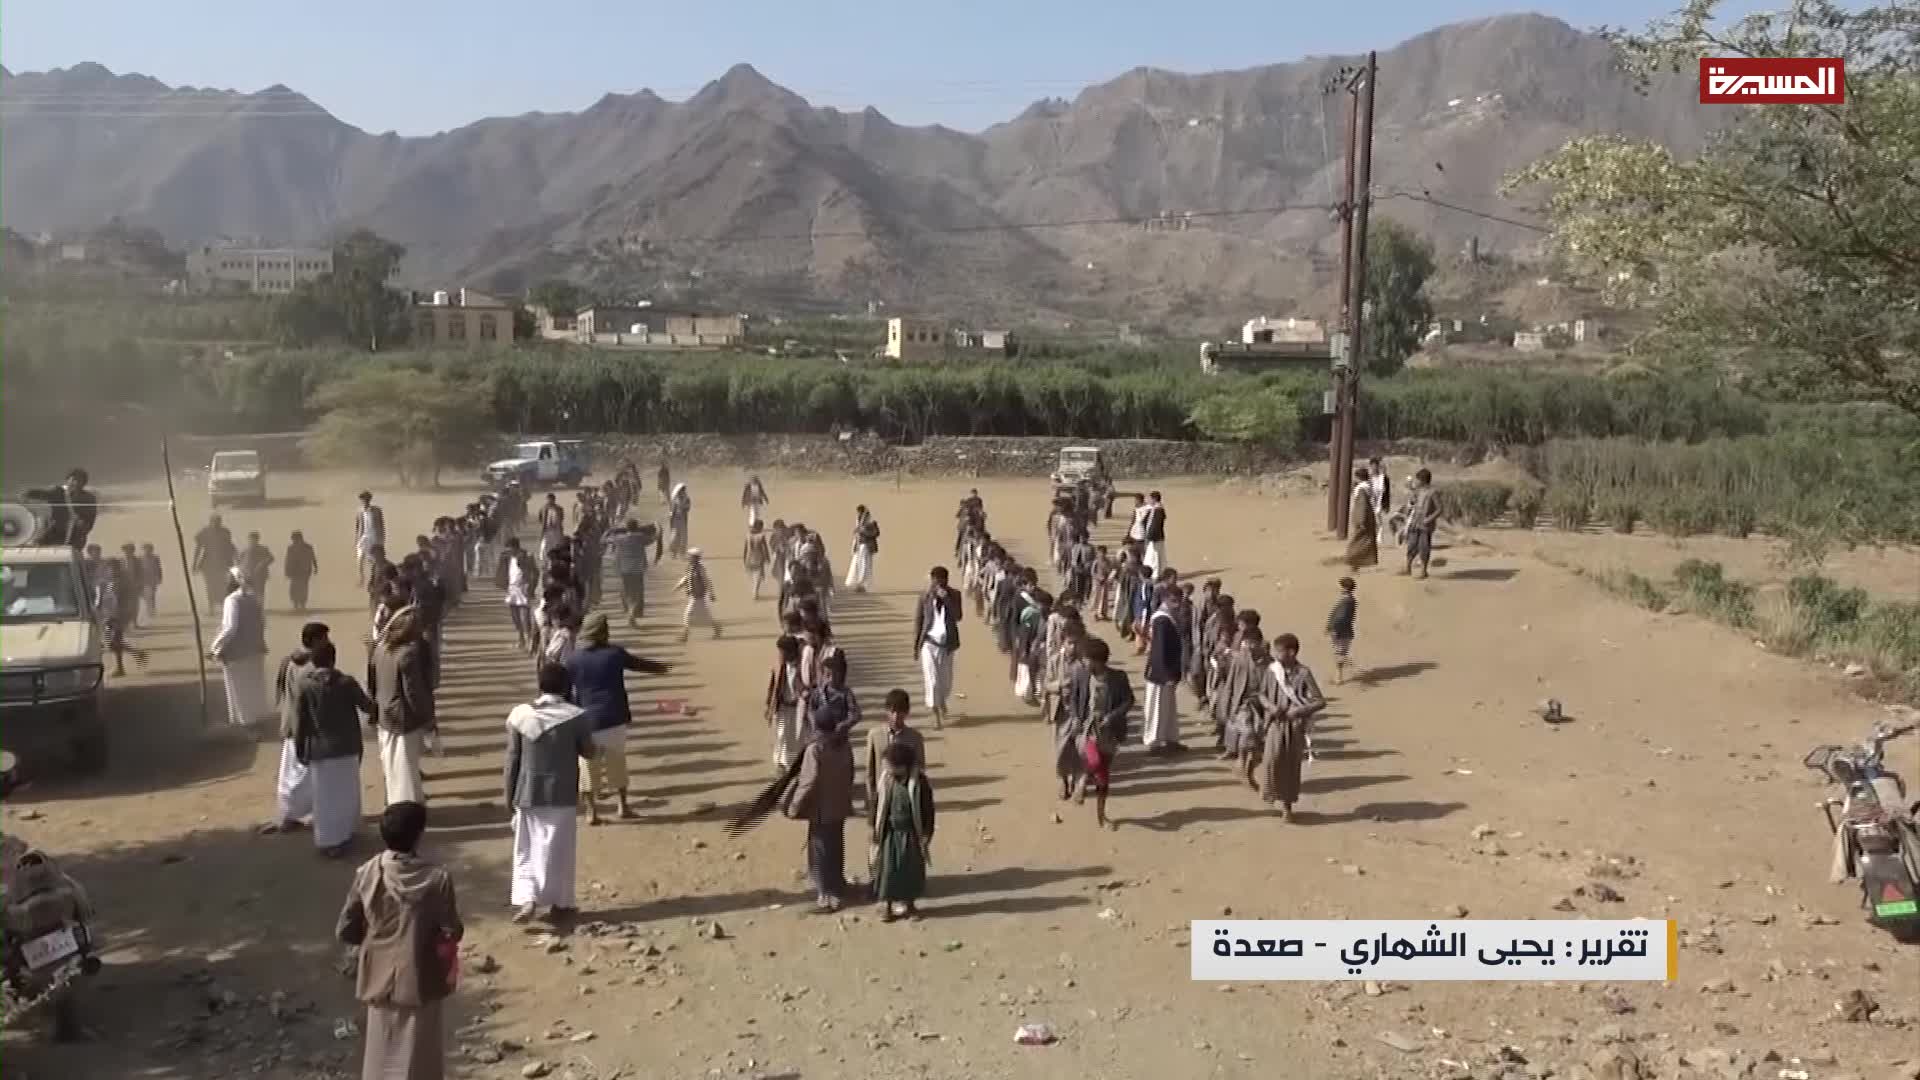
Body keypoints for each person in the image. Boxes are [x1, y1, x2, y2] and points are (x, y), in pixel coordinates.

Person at [336, 801, 463, 1080]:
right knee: (420, 1057)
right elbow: (453, 930)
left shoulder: (367, 873)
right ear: (419, 835)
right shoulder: (437, 879)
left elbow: (346, 929)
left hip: (378, 980)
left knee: (381, 1055)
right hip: (421, 980)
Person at [505, 663, 597, 922]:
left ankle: (528, 899)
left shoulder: (520, 714)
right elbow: (589, 752)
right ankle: (560, 904)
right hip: (562, 793)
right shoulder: (576, 716)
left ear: (540, 685)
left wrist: (509, 795)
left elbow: (512, 759)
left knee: (527, 848)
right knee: (559, 850)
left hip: (528, 791)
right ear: (566, 687)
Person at [568, 613, 670, 825]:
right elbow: (638, 664)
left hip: (586, 720)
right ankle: (623, 806)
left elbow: (565, 688)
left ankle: (591, 812)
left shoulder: (574, 659)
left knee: (588, 766)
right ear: (604, 632)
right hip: (614, 717)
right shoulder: (614, 654)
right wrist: (661, 667)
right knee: (617, 762)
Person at [783, 652, 858, 912]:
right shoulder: (845, 749)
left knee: (820, 849)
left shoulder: (815, 750)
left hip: (821, 809)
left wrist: (794, 805)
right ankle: (838, 884)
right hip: (839, 806)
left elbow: (809, 780)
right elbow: (850, 775)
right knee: (836, 845)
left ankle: (826, 893)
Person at [295, 641, 374, 857]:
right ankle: (346, 832)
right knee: (347, 793)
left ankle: (328, 840)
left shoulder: (305, 686)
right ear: (333, 659)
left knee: (324, 797)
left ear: (313, 662)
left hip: (320, 751)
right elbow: (367, 706)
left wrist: (300, 749)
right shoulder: (347, 683)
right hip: (346, 748)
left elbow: (300, 721)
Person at [265, 621, 330, 835]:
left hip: (291, 725)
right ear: (314, 641)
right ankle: (294, 815)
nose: (327, 642)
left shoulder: (289, 660)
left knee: (291, 774)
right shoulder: (310, 669)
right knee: (302, 775)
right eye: (324, 638)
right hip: (304, 729)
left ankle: (290, 814)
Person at [1256, 633, 1327, 821]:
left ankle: (1287, 806)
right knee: (1271, 760)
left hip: (1295, 725)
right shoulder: (1272, 670)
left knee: (1290, 766)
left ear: (1292, 652)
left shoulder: (1304, 673)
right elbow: (1261, 694)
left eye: (1279, 651)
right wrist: (1270, 707)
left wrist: (1299, 711)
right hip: (1274, 723)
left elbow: (1320, 701)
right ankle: (1271, 794)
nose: (1276, 655)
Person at [1064, 638, 1133, 829]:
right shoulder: (1082, 676)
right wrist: (1076, 718)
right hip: (1088, 728)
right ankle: (1082, 780)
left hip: (1109, 732)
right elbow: (1073, 699)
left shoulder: (1118, 678)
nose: (1083, 662)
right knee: (1093, 761)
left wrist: (1112, 717)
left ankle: (1102, 817)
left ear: (1097, 661)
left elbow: (1129, 701)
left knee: (1103, 775)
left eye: (1086, 659)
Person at [369, 606, 435, 805]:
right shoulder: (408, 655)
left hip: (385, 716)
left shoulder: (379, 649)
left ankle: (394, 800)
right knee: (406, 766)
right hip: (404, 719)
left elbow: (372, 684)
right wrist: (427, 719)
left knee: (391, 765)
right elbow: (413, 694)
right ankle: (408, 805)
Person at [870, 742, 936, 922]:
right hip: (889, 835)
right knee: (888, 871)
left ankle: (910, 905)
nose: (886, 768)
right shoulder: (885, 780)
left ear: (902, 766)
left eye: (889, 765)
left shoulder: (919, 782)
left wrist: (927, 833)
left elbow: (928, 809)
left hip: (911, 835)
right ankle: (887, 906)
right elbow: (876, 806)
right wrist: (872, 828)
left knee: (910, 871)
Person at [209, 569, 269, 727]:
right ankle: (257, 717)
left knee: (239, 688)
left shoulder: (232, 600)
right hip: (256, 649)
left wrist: (215, 647)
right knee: (254, 684)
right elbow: (262, 623)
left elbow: (230, 628)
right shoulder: (255, 598)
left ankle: (246, 722)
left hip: (237, 653)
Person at [911, 566, 962, 729]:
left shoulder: (955, 595)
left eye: (941, 581)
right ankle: (936, 715)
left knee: (945, 681)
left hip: (947, 645)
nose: (937, 585)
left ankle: (941, 701)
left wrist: (946, 599)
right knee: (932, 680)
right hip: (929, 643)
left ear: (946, 581)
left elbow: (958, 616)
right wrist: (916, 646)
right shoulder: (924, 597)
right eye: (935, 581)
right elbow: (919, 621)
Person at [864, 688, 926, 820]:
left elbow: (920, 769)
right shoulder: (875, 735)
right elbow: (870, 771)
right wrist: (871, 799)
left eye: (900, 712)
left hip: (905, 800)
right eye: (892, 711)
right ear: (886, 711)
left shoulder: (915, 738)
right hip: (881, 798)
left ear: (907, 712)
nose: (896, 716)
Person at [1141, 587, 1186, 753]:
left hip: (1169, 671)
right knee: (1157, 708)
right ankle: (1154, 742)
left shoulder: (1169, 617)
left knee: (1169, 708)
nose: (1177, 604)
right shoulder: (1162, 620)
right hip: (1160, 673)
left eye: (1179, 600)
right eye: (1173, 601)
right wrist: (1165, 674)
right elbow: (1159, 650)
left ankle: (1170, 739)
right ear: (1165, 599)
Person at [766, 633, 806, 775]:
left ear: (791, 652)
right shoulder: (779, 666)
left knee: (795, 738)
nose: (780, 655)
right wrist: (769, 706)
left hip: (797, 709)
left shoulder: (802, 667)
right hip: (782, 707)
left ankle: (793, 765)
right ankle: (780, 763)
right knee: (781, 734)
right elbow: (772, 686)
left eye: (782, 652)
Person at [32, 469, 98, 552]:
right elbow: (43, 494)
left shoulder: (88, 498)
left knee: (68, 554)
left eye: (79, 481)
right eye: (73, 480)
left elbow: (90, 519)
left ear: (84, 483)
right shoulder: (57, 492)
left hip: (75, 536)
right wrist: (28, 494)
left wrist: (82, 524)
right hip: (54, 532)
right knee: (39, 548)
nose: (76, 483)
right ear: (67, 480)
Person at [609, 519, 658, 626]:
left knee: (626, 592)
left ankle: (629, 611)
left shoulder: (620, 539)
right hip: (637, 569)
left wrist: (613, 530)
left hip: (624, 569)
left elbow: (604, 539)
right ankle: (632, 613)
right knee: (637, 593)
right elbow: (655, 537)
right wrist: (657, 526)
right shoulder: (641, 538)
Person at [192, 514, 238, 610]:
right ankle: (211, 607)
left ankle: (222, 605)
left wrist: (235, 559)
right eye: (215, 521)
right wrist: (194, 564)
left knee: (222, 585)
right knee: (210, 585)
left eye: (218, 521)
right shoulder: (204, 532)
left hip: (223, 563)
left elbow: (230, 546)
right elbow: (198, 549)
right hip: (208, 564)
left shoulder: (225, 532)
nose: (216, 523)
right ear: (211, 522)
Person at [499, 537, 536, 654]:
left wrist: (531, 587)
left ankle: (529, 640)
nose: (508, 551)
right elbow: (503, 572)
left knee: (525, 616)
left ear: (515, 547)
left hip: (523, 587)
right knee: (514, 616)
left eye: (510, 549)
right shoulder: (507, 557)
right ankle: (521, 639)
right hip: (512, 588)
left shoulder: (527, 556)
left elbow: (535, 572)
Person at [1403, 468, 1442, 579]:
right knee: (1411, 545)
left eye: (1418, 480)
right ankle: (1408, 568)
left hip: (1426, 525)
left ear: (1423, 480)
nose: (1416, 481)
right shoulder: (1418, 491)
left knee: (1424, 547)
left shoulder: (1433, 492)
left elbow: (1439, 509)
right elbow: (1413, 503)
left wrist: (1429, 519)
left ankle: (1423, 571)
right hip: (1415, 522)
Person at [675, 548, 720, 642]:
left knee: (688, 614)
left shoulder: (700, 569)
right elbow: (686, 578)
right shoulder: (690, 567)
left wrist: (711, 594)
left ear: (696, 558)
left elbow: (706, 581)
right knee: (705, 615)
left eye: (690, 556)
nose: (688, 558)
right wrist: (678, 586)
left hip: (698, 595)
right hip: (693, 595)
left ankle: (685, 635)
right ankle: (716, 628)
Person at [1345, 468, 1380, 571]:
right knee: (1364, 541)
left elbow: (1362, 506)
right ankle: (1357, 563)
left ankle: (1353, 561)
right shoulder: (1368, 487)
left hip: (1363, 519)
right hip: (1368, 518)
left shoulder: (1361, 489)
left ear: (1358, 477)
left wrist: (1360, 520)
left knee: (1357, 541)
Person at [1326, 577, 1358, 684]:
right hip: (1344, 631)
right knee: (1340, 652)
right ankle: (1339, 674)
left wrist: (1334, 629)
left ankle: (1339, 677)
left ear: (1345, 588)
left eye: (1341, 586)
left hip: (1341, 631)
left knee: (1339, 653)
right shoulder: (1349, 600)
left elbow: (1341, 617)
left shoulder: (1347, 601)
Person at [354, 491, 386, 588]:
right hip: (363, 537)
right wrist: (356, 540)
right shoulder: (359, 511)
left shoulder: (377, 510)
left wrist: (382, 539)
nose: (365, 501)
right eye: (363, 499)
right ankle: (361, 578)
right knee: (360, 557)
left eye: (366, 499)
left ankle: (375, 577)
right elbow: (357, 526)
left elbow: (381, 524)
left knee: (373, 559)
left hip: (374, 537)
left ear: (369, 499)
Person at [845, 506, 880, 593]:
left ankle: (862, 584)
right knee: (857, 565)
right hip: (859, 547)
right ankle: (858, 584)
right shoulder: (859, 523)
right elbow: (856, 536)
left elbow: (876, 533)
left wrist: (863, 531)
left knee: (864, 566)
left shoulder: (871, 523)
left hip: (866, 547)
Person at [284, 530, 318, 613]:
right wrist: (286, 571)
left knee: (303, 588)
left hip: (304, 571)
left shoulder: (307, 547)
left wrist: (315, 567)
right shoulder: (291, 548)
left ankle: (302, 604)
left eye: (294, 539)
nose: (294, 540)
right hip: (295, 571)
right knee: (294, 588)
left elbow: (313, 557)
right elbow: (287, 560)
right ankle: (296, 604)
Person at [743, 519, 772, 601]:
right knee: (758, 575)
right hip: (759, 557)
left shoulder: (748, 535)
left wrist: (744, 558)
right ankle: (755, 591)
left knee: (752, 575)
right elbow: (765, 548)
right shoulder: (761, 536)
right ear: (759, 527)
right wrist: (767, 557)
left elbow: (745, 548)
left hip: (749, 557)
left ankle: (755, 591)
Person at [1142, 491, 1169, 575]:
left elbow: (1156, 525)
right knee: (1155, 557)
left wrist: (1150, 537)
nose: (1148, 500)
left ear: (1154, 499)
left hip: (1155, 538)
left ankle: (1155, 574)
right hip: (1154, 537)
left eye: (1150, 499)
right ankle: (1158, 573)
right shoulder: (1154, 509)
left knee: (1154, 557)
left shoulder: (1158, 510)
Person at [1368, 457, 1393, 548]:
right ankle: (1371, 537)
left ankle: (1379, 536)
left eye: (1376, 466)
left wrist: (1387, 505)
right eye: (1372, 466)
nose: (1374, 468)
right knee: (1371, 520)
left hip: (1380, 501)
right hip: (1370, 501)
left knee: (1378, 519)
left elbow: (1387, 492)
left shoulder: (1383, 478)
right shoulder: (1368, 477)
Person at [138, 542, 162, 623]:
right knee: (146, 596)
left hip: (153, 579)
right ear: (143, 550)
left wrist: (159, 578)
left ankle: (152, 610)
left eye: (149, 549)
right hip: (144, 579)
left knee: (152, 595)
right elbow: (138, 569)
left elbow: (159, 568)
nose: (147, 550)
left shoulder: (155, 558)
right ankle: (149, 609)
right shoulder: (140, 558)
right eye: (146, 549)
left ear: (151, 550)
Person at [666, 483, 692, 559]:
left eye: (683, 490)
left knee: (683, 537)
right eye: (681, 490)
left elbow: (687, 509)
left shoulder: (687, 499)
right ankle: (673, 553)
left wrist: (684, 507)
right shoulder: (674, 499)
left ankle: (682, 554)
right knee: (674, 537)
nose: (682, 492)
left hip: (683, 519)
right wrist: (671, 519)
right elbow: (671, 511)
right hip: (675, 520)